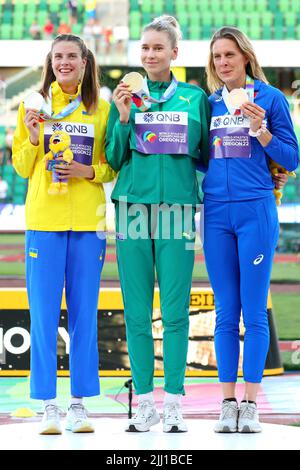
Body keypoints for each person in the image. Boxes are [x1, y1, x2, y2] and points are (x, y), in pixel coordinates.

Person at [105, 16, 210, 433]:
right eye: (145, 48)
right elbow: (114, 157)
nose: (150, 55)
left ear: (174, 53)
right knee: (135, 310)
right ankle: (145, 403)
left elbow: (208, 154)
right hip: (132, 210)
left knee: (175, 312)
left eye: (157, 48)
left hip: (178, 213)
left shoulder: (194, 98)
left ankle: (174, 404)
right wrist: (123, 116)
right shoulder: (127, 96)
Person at [12, 34, 115, 435]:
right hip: (43, 222)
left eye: (73, 56)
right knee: (42, 315)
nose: (65, 62)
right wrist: (34, 135)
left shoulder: (102, 110)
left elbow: (110, 166)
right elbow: (22, 166)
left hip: (88, 224)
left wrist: (86, 171)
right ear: (50, 62)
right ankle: (48, 405)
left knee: (84, 315)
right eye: (59, 57)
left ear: (85, 62)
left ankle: (79, 404)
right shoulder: (33, 106)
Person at [202, 26, 299, 434]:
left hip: (255, 211)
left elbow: (291, 158)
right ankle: (227, 404)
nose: (223, 63)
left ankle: (251, 405)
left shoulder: (270, 98)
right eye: (217, 57)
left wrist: (262, 131)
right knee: (225, 313)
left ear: (245, 57)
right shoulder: (207, 105)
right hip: (215, 215)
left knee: (254, 310)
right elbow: (198, 158)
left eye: (230, 55)